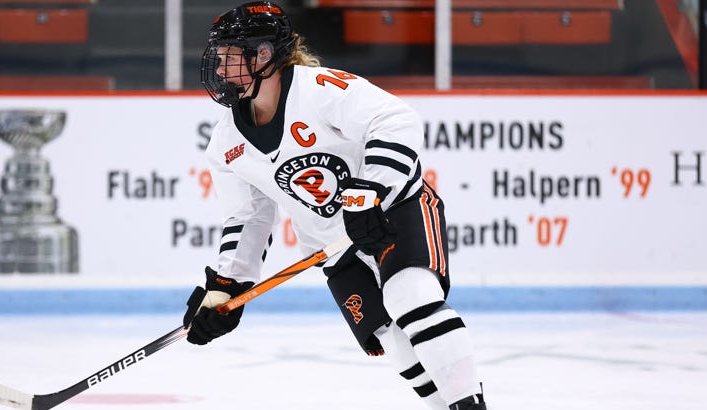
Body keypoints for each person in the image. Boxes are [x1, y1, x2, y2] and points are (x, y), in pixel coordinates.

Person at [182, 2, 486, 409]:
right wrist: (225, 286)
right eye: (218, 59)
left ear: (264, 56)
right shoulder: (226, 144)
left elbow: (397, 120)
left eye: (230, 58)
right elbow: (248, 217)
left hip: (394, 210)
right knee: (389, 338)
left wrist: (367, 194)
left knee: (408, 297)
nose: (220, 71)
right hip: (333, 246)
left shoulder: (318, 89)